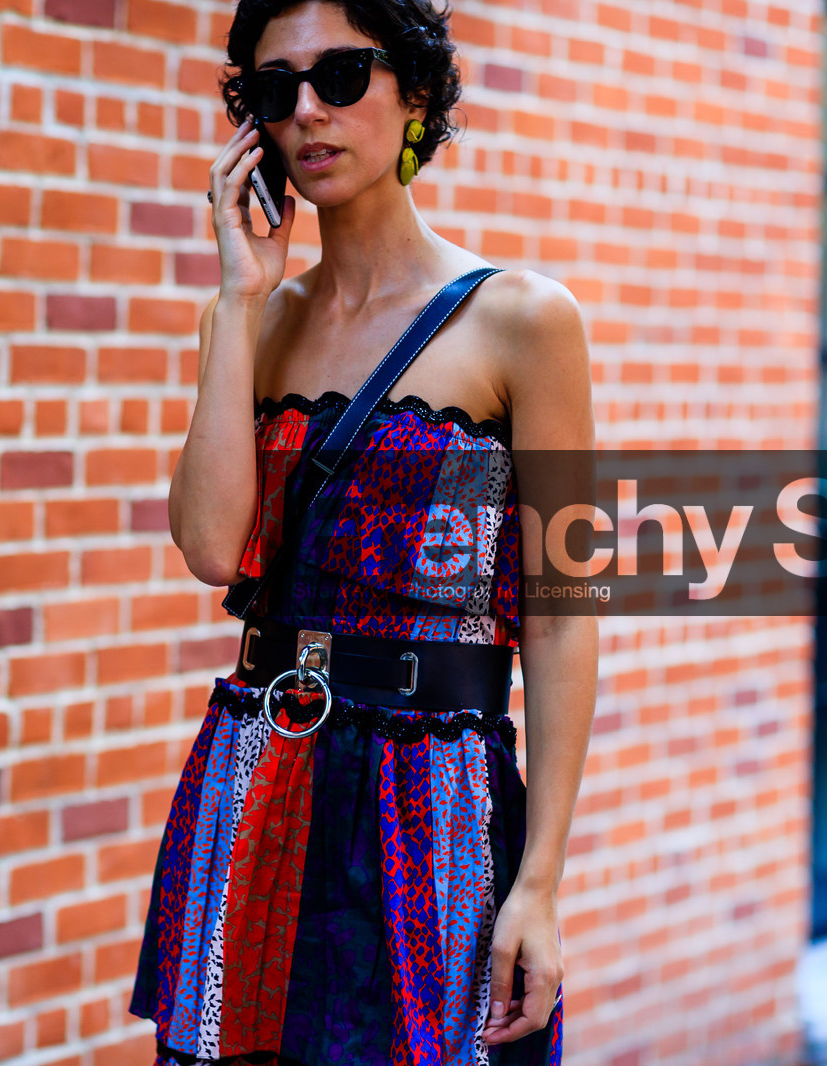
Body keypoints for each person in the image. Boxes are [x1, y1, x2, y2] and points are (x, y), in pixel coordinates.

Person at [129, 1, 599, 1063]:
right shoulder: (249, 318)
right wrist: (239, 297)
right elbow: (211, 547)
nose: (308, 109)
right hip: (259, 767)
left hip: (434, 798)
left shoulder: (522, 318)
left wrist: (541, 882)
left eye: (342, 74)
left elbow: (566, 618)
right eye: (273, 88)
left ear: (417, 95)